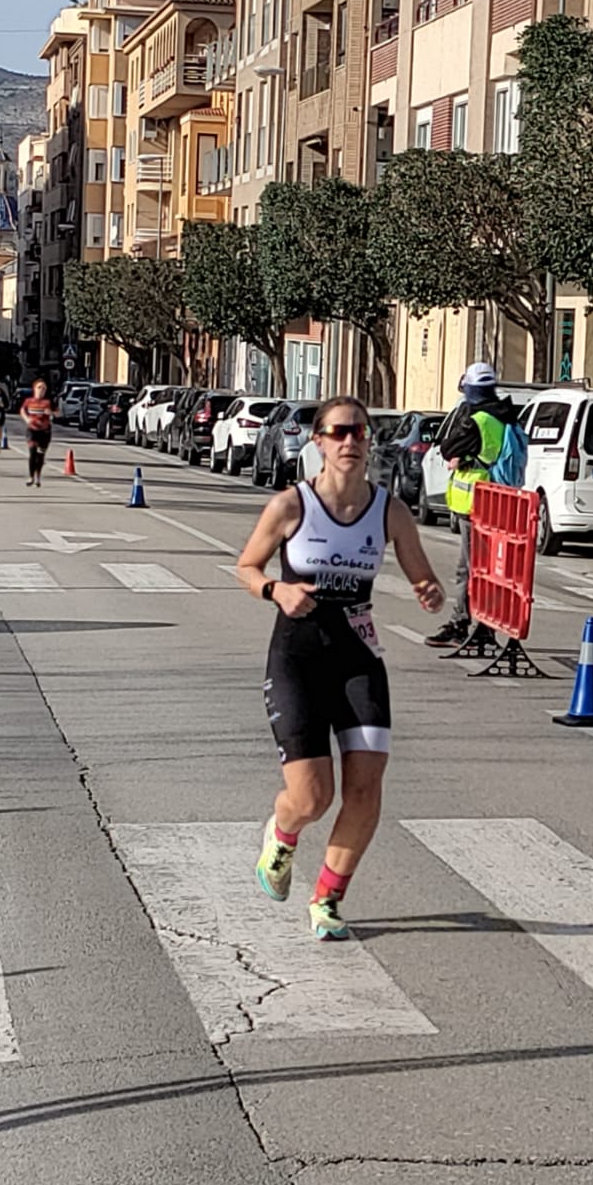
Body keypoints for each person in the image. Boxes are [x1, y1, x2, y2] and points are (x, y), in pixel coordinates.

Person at [234, 396, 446, 940]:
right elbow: (246, 566)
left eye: (359, 432)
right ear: (319, 442)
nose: (350, 441)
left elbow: (422, 574)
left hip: (357, 655)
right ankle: (281, 839)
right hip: (298, 656)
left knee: (366, 790)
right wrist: (275, 589)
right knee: (311, 797)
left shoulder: (390, 510)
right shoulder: (291, 507)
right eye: (338, 432)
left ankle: (327, 898)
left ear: (369, 441)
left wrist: (430, 591)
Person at [423, 363, 519, 649]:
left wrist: (460, 458)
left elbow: (448, 448)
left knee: (470, 567)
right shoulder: (505, 416)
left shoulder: (479, 419)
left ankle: (462, 623)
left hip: (477, 502)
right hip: (498, 499)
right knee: (488, 567)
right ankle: (485, 624)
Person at [20, 378, 56, 486]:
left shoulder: (48, 402)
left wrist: (51, 413)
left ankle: (38, 476)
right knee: (32, 453)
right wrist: (26, 418)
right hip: (32, 430)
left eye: (44, 388)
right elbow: (22, 410)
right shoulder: (29, 401)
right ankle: (31, 477)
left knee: (40, 456)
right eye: (39, 387)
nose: (41, 390)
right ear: (34, 389)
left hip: (44, 432)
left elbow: (58, 413)